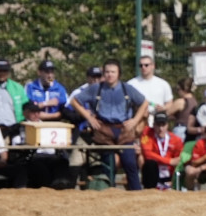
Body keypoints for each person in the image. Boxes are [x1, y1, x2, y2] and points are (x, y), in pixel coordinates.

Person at [69, 60, 147, 190]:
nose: (110, 75)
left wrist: (135, 120)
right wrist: (89, 117)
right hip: (103, 130)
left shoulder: (127, 88)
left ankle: (136, 192)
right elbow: (74, 101)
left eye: (113, 72)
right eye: (107, 72)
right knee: (108, 163)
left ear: (119, 74)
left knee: (129, 163)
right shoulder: (96, 88)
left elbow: (144, 103)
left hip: (124, 130)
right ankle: (107, 191)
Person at [19, 101, 71, 189]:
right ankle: (46, 188)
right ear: (25, 113)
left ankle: (60, 184)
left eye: (38, 112)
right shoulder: (20, 127)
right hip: (33, 156)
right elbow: (18, 143)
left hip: (51, 154)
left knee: (62, 162)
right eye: (33, 112)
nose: (36, 114)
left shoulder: (47, 126)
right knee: (39, 166)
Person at [127, 56, 177, 122]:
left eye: (146, 65)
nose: (143, 67)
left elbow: (170, 103)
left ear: (153, 66)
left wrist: (163, 108)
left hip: (158, 121)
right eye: (141, 65)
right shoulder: (131, 84)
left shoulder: (163, 84)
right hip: (138, 120)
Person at [139, 113, 181, 190]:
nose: (161, 129)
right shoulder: (147, 133)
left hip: (168, 175)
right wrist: (169, 161)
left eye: (163, 125)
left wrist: (173, 180)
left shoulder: (176, 140)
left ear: (167, 125)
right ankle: (149, 190)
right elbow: (148, 154)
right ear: (154, 125)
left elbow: (177, 161)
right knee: (149, 163)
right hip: (153, 174)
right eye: (158, 125)